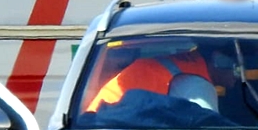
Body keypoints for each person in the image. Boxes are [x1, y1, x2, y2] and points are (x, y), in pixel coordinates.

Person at [86, 50, 216, 112]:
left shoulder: (187, 68)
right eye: (235, 68)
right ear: (221, 62)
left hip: (96, 124)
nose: (235, 74)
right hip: (113, 128)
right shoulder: (196, 85)